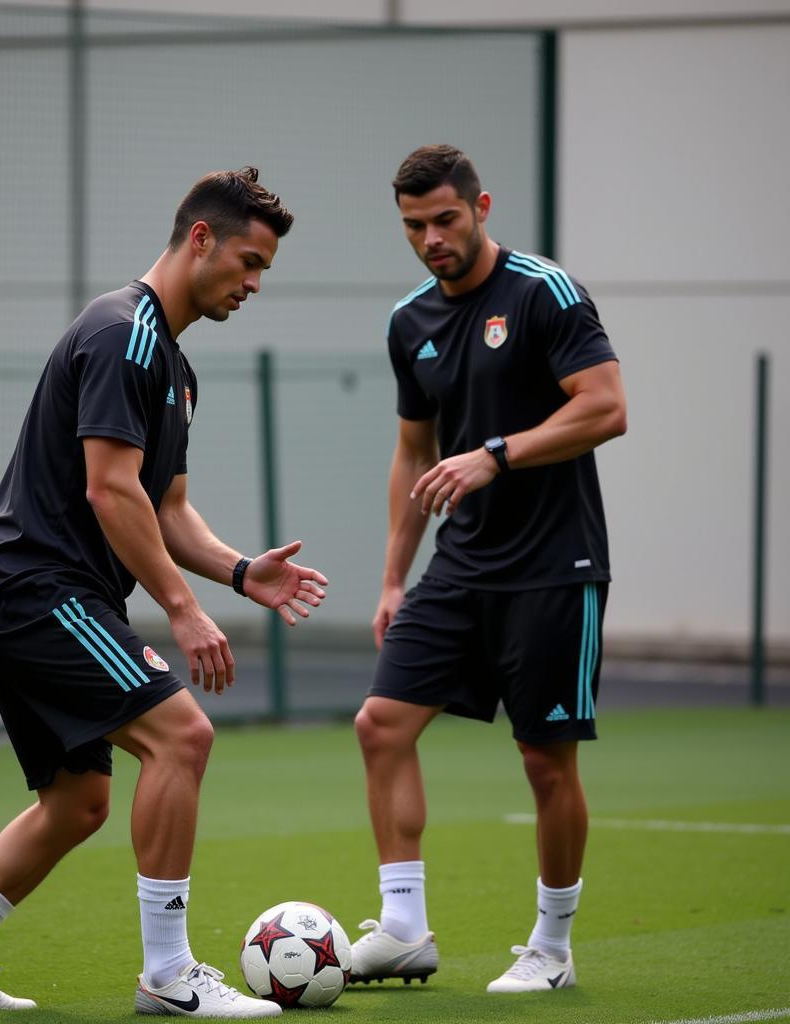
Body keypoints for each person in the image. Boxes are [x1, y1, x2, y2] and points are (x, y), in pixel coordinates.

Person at [0, 167, 328, 1018]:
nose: (251, 286)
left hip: (20, 588)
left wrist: (241, 572)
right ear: (199, 237)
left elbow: (164, 505)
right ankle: (169, 977)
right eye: (247, 262)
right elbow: (110, 489)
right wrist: (183, 608)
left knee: (78, 800)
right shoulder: (122, 331)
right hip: (30, 585)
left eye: (264, 273)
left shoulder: (174, 366)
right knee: (183, 737)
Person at [348, 145, 627, 994]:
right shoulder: (409, 323)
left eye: (445, 220)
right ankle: (402, 930)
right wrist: (394, 578)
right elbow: (412, 454)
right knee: (379, 725)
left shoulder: (545, 292)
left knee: (545, 762)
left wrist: (496, 455)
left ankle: (552, 947)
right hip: (459, 569)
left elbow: (607, 407)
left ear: (481, 207)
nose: (431, 239)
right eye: (413, 227)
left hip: (555, 565)